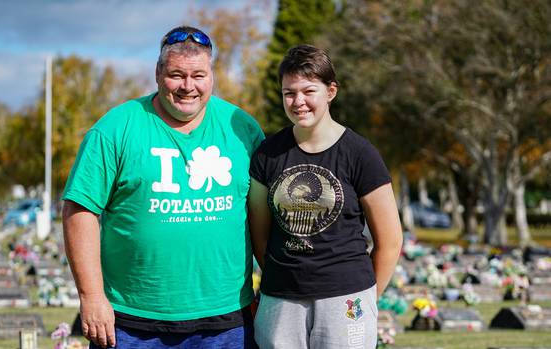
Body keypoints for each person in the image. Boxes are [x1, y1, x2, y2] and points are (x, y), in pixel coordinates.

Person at [62, 26, 264, 349]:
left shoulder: (241, 128)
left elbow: (261, 215)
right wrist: (91, 296)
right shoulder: (115, 129)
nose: (188, 86)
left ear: (212, 76)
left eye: (198, 75)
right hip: (130, 325)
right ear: (157, 74)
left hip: (227, 324)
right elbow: (79, 210)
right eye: (176, 75)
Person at [248, 44, 402, 349]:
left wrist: (366, 296)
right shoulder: (267, 154)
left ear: (331, 91)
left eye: (309, 91)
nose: (298, 102)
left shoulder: (360, 154)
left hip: (346, 298)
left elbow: (390, 240)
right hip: (280, 299)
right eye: (288, 93)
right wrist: (287, 276)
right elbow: (259, 235)